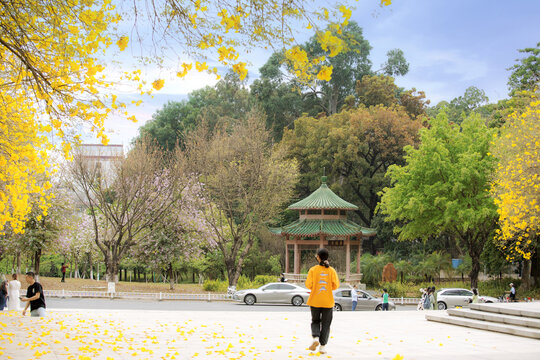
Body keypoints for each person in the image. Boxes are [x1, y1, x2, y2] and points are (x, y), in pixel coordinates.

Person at [305, 248, 339, 355]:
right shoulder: (331, 270)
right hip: (328, 302)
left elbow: (308, 285)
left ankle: (315, 337)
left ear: (318, 257)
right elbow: (335, 286)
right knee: (326, 324)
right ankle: (322, 346)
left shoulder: (313, 270)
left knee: (315, 321)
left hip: (315, 300)